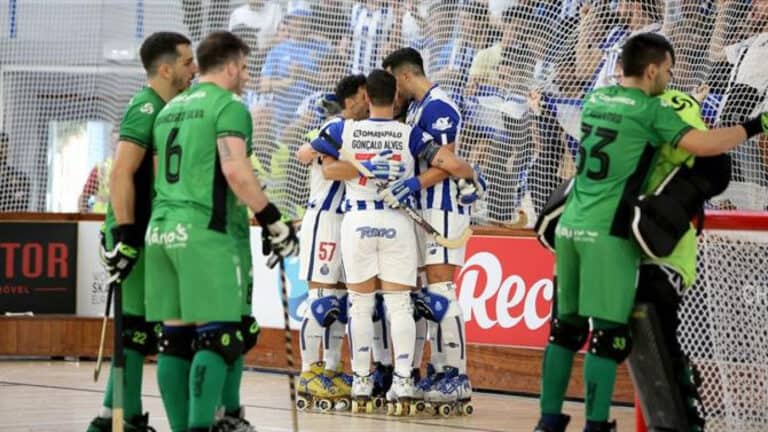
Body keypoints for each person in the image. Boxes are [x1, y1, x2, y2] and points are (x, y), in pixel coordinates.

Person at [534, 33, 768, 432]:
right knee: (608, 338)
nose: (670, 79)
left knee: (564, 330)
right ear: (653, 69)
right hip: (609, 232)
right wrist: (755, 125)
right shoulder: (649, 111)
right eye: (669, 71)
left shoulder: (597, 99)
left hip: (569, 226)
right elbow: (706, 144)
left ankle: (548, 422)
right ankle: (595, 425)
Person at [145, 31, 298, 432]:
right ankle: (204, 427)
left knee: (174, 340)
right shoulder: (230, 106)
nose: (247, 76)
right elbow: (234, 170)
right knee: (220, 336)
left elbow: (160, 174)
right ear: (230, 66)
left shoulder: (169, 109)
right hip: (205, 234)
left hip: (161, 232)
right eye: (245, 68)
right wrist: (272, 219)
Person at [310, 69, 477, 415]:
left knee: (359, 304)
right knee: (400, 305)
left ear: (367, 98)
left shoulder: (346, 129)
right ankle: (402, 382)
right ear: (395, 98)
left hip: (357, 221)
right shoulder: (410, 133)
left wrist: (357, 169)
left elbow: (316, 157)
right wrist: (469, 176)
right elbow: (449, 163)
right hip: (398, 222)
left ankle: (360, 381)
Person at [86, 31, 197, 432]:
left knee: (140, 331)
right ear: (165, 69)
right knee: (133, 332)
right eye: (187, 62)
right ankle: (123, 420)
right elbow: (120, 174)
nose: (194, 69)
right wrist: (127, 234)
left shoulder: (172, 107)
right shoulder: (145, 108)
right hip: (135, 233)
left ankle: (112, 418)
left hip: (154, 233)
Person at [382, 47, 485, 411]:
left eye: (393, 81)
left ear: (404, 75)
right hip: (424, 209)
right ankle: (439, 369)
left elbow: (448, 164)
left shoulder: (440, 106)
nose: (393, 91)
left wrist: (411, 186)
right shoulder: (415, 108)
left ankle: (456, 375)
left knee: (442, 292)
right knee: (428, 296)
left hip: (443, 209)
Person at [293, 73, 368, 411]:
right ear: (354, 97)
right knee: (321, 298)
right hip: (324, 219)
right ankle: (308, 372)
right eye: (365, 96)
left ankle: (333, 368)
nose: (369, 101)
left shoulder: (364, 130)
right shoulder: (334, 126)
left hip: (350, 220)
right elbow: (304, 153)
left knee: (339, 301)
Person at [0, 132, 31, 212]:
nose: (0, 150)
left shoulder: (21, 180)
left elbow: (20, 210)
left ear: (7, 150)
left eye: (3, 146)